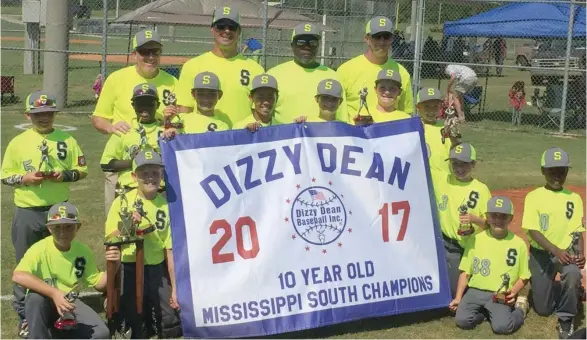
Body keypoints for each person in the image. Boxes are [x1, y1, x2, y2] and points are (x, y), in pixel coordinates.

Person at [1, 91, 88, 338]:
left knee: (58, 261)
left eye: (48, 113)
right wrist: (25, 178)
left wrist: (65, 175)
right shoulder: (18, 142)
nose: (44, 118)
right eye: (38, 114)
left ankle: (60, 308)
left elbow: (82, 170)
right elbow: (5, 176)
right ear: (28, 115)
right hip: (28, 210)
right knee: (25, 262)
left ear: (54, 114)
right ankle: (24, 315)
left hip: (59, 212)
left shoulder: (67, 139)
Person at [91, 29, 177, 214]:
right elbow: (98, 117)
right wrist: (111, 127)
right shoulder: (117, 79)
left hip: (158, 166)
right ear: (134, 54)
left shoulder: (172, 82)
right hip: (123, 161)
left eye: (155, 51)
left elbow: (182, 122)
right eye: (145, 52)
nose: (151, 57)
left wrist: (171, 123)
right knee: (119, 219)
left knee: (160, 218)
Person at [12, 202, 120, 339]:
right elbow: (18, 276)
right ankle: (37, 333)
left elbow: (99, 284)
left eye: (68, 227)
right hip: (44, 300)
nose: (63, 233)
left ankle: (55, 331)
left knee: (101, 334)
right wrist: (54, 293)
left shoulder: (82, 250)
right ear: (49, 228)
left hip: (69, 300)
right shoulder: (39, 249)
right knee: (34, 298)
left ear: (78, 227)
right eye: (57, 227)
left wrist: (114, 264)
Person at [105, 150, 178, 339]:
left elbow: (169, 249)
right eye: (144, 173)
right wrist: (127, 226)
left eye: (155, 172)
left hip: (156, 268)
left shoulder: (166, 205)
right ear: (134, 176)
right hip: (129, 266)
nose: (150, 178)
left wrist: (175, 289)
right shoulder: (122, 202)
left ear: (162, 175)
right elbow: (110, 236)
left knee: (170, 321)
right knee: (133, 321)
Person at [522, 147, 585, 339]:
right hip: (541, 254)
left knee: (573, 272)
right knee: (543, 309)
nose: (557, 175)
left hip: (565, 253)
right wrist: (555, 250)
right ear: (543, 170)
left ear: (567, 172)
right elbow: (533, 230)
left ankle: (566, 320)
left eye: (561, 171)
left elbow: (578, 231)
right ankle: (565, 289)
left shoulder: (574, 198)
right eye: (552, 170)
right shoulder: (534, 196)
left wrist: (581, 253)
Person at [450, 196, 530, 334]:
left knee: (502, 327)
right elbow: (465, 271)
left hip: (499, 293)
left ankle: (520, 309)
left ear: (510, 218)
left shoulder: (518, 244)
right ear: (487, 217)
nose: (498, 220)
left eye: (503, 216)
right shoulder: (475, 239)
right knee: (462, 321)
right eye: (494, 216)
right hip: (475, 291)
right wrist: (458, 297)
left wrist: (514, 292)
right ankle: (486, 313)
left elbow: (525, 276)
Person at [176, 6, 264, 126]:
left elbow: (260, 113)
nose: (226, 31)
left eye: (232, 26)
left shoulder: (255, 69)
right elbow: (184, 111)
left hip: (243, 139)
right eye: (221, 26)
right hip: (207, 140)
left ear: (239, 31)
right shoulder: (193, 66)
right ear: (212, 29)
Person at [431, 143, 492, 297]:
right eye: (455, 163)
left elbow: (491, 225)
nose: (459, 168)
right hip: (442, 243)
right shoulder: (442, 179)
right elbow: (419, 162)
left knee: (453, 293)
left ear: (473, 164)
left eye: (464, 164)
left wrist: (474, 219)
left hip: (467, 248)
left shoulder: (481, 189)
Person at [268, 23, 347, 124]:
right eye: (301, 42)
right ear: (292, 45)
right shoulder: (274, 75)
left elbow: (341, 119)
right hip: (286, 137)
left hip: (322, 137)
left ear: (318, 46)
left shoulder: (333, 76)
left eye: (312, 43)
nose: (307, 47)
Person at [337, 16, 414, 120]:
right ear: (367, 39)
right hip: (356, 133)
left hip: (388, 133)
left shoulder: (401, 72)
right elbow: (338, 112)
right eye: (377, 37)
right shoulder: (345, 71)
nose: (382, 42)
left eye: (386, 37)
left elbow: (406, 114)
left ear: (392, 39)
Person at [100, 83, 165, 195]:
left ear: (157, 105)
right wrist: (135, 162)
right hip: (129, 191)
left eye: (149, 103)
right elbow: (106, 164)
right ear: (133, 105)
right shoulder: (123, 131)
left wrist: (156, 160)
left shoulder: (165, 132)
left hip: (159, 192)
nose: (144, 108)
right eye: (140, 103)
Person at [164, 72, 231, 138]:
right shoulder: (181, 120)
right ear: (193, 94)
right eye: (201, 94)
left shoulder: (223, 126)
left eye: (211, 94)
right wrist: (167, 124)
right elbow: (166, 138)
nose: (206, 98)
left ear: (219, 95)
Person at [416, 87, 456, 174]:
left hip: (444, 178)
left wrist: (453, 134)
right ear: (418, 107)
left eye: (435, 106)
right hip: (422, 179)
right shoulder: (414, 128)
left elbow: (454, 152)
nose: (431, 110)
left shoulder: (444, 128)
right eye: (426, 106)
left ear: (441, 107)